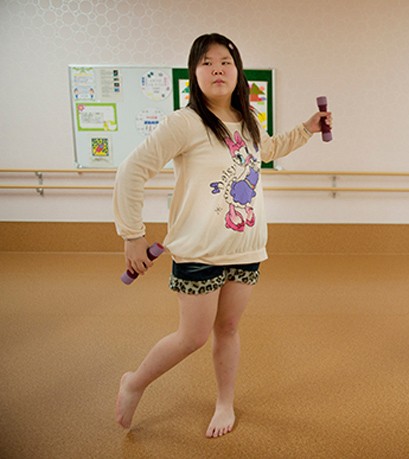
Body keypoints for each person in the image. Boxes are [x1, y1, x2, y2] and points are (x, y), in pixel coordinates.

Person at [113, 33, 332, 438]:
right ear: (194, 74)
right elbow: (132, 171)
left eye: (225, 62)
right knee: (192, 337)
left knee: (228, 329)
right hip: (199, 251)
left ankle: (224, 402)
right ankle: (135, 382)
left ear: (237, 72)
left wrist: (308, 128)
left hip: (245, 249)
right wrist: (132, 235)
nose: (217, 69)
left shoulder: (248, 120)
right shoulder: (185, 123)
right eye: (207, 63)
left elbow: (267, 150)